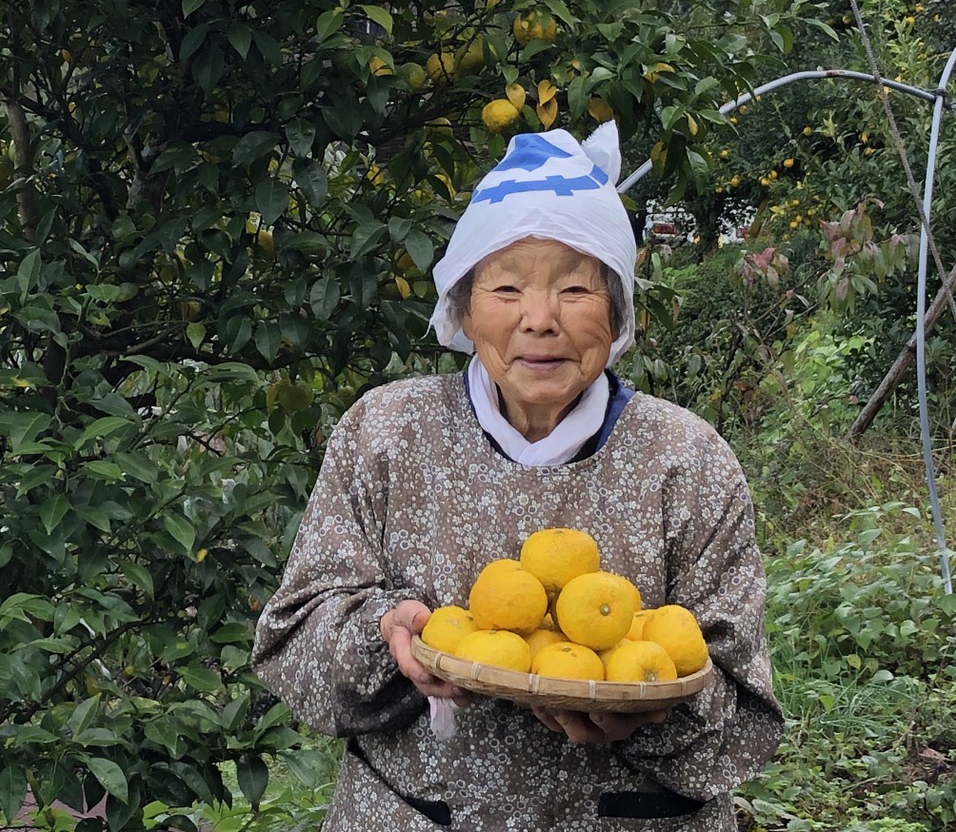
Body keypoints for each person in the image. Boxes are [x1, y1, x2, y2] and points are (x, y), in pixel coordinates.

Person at [252, 123, 782, 831]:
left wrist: (649, 709)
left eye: (575, 288)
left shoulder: (686, 460)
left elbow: (745, 717)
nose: (540, 320)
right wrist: (390, 639)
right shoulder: (385, 434)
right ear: (464, 311)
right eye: (506, 287)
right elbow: (292, 645)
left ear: (618, 311)